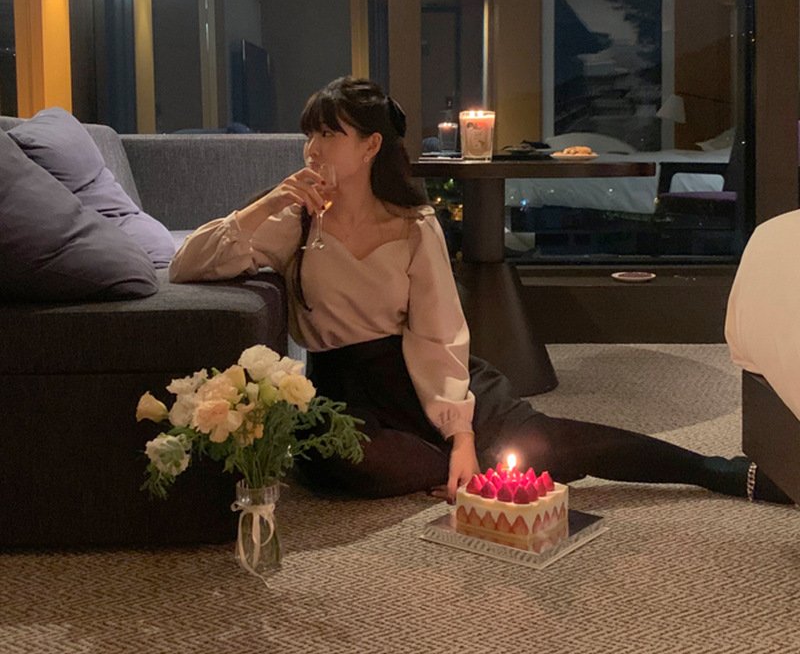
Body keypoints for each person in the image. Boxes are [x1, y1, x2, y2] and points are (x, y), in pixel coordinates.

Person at [170, 76, 791, 505]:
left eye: (328, 135)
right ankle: (474, 466)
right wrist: (265, 204)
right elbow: (186, 265)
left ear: (370, 146)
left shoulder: (413, 225)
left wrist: (461, 433)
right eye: (309, 135)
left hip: (424, 370)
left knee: (544, 443)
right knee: (349, 463)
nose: (312, 149)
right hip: (344, 388)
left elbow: (437, 333)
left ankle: (709, 469)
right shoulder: (295, 220)